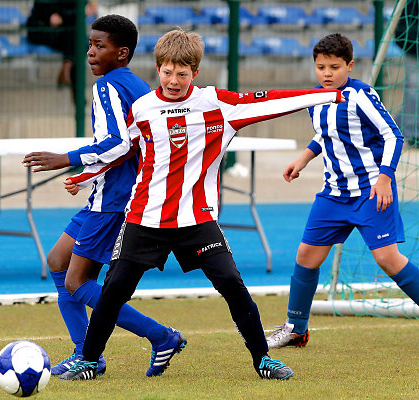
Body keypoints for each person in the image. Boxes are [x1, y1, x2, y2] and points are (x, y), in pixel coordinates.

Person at [59, 27, 344, 382]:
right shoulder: (143, 108)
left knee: (232, 284)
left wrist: (325, 96)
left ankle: (263, 359)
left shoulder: (218, 105)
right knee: (115, 289)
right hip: (145, 217)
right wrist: (84, 176)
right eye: (166, 71)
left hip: (196, 219)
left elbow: (271, 100)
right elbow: (121, 149)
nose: (173, 80)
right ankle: (88, 360)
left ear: (195, 72)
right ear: (157, 69)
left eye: (182, 73)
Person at [22, 14, 184, 378]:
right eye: (90, 45)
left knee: (77, 281)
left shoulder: (108, 86)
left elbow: (117, 142)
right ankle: (86, 351)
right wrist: (86, 176)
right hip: (111, 192)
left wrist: (65, 159)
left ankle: (159, 337)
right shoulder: (137, 85)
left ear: (122, 53)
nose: (91, 52)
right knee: (58, 261)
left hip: (114, 197)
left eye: (100, 46)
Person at [266, 33, 419, 349]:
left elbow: (394, 136)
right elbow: (326, 134)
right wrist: (304, 158)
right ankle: (296, 328)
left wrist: (385, 179)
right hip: (333, 194)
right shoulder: (315, 98)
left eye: (334, 67)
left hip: (370, 191)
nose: (326, 73)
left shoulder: (361, 96)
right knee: (306, 256)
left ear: (349, 66)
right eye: (321, 67)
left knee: (388, 260)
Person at [26, 1, 97, 89]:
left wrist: (75, 14)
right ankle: (75, 90)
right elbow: (55, 20)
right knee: (76, 39)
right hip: (42, 30)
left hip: (65, 33)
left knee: (78, 40)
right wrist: (80, 13)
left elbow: (83, 9)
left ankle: (66, 69)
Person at [394, 0, 418, 147]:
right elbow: (401, 28)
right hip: (413, 48)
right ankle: (412, 133)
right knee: (414, 89)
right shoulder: (411, 3)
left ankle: (398, 126)